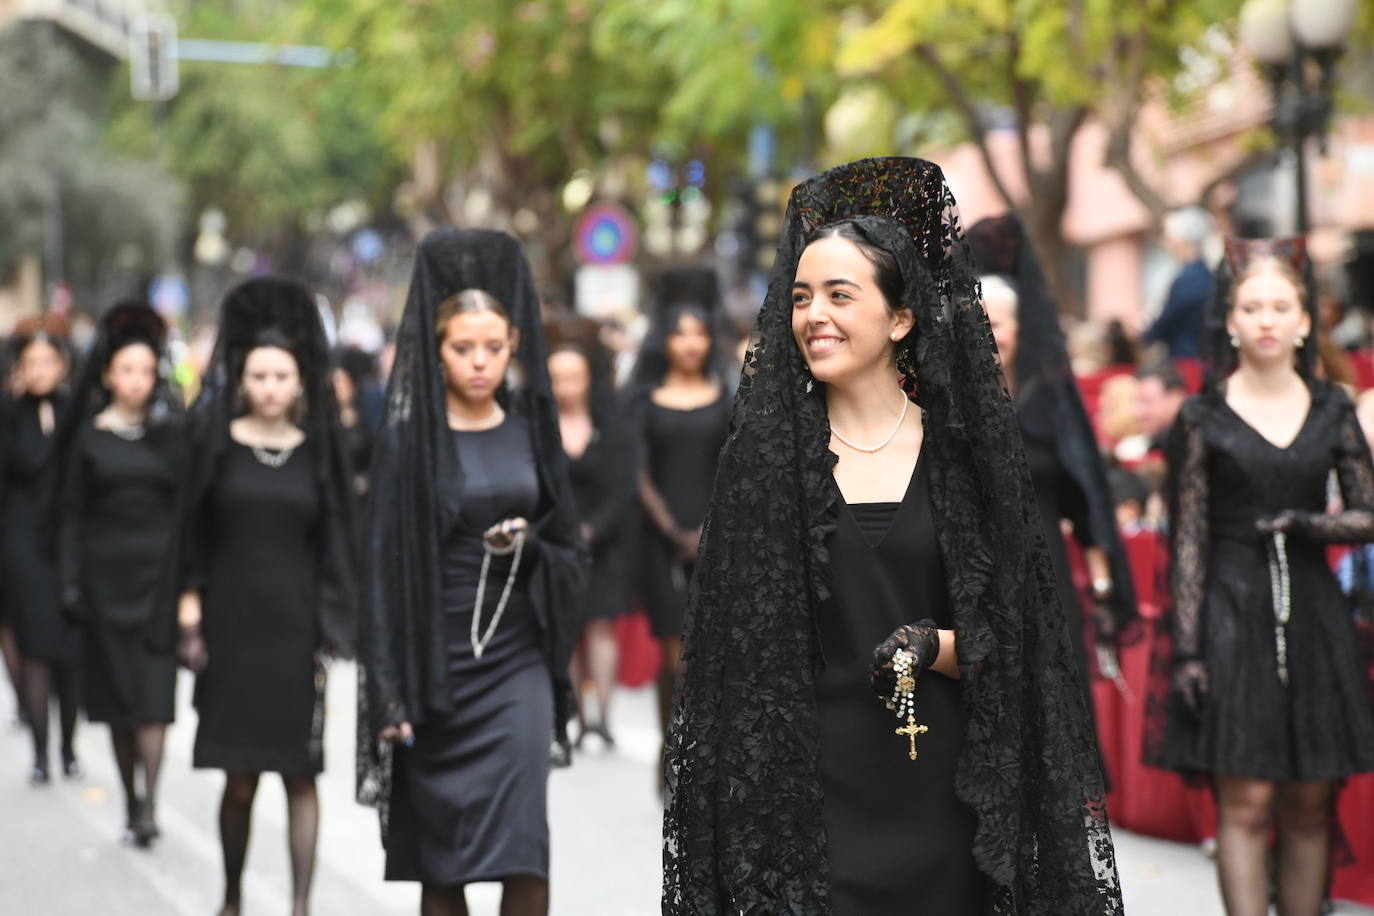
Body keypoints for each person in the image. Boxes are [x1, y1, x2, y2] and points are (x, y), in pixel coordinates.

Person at [663, 157, 1121, 913]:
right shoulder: (764, 464)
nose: (814, 315)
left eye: (841, 295)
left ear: (900, 317)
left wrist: (934, 647)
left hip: (949, 797)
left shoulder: (965, 457)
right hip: (811, 809)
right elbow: (731, 661)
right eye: (802, 296)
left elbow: (1024, 643)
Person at [357, 228, 587, 916]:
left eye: (494, 347)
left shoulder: (530, 430)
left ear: (515, 344)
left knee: (524, 850)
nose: (479, 362)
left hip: (516, 662)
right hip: (436, 667)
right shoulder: (407, 444)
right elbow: (381, 572)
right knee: (443, 864)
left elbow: (571, 547)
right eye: (463, 349)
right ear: (435, 350)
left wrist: (532, 546)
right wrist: (388, 693)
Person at [1150, 237, 1374, 916]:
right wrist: (1187, 650)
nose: (1268, 318)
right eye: (1253, 306)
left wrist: (1308, 525)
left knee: (1309, 800)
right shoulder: (1201, 415)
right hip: (1228, 608)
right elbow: (1185, 539)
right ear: (1232, 320)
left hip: (1313, 612)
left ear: (1306, 320)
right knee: (1244, 802)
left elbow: (1367, 513)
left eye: (1282, 305)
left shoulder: (1334, 408)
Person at [178, 277, 358, 916]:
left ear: (300, 381)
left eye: (282, 376)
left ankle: (301, 905)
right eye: (259, 375)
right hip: (231, 629)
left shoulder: (318, 455)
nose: (270, 387)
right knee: (240, 778)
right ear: (241, 377)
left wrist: (336, 626)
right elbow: (191, 531)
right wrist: (191, 612)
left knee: (301, 773)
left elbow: (337, 544)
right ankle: (231, 896)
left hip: (296, 631)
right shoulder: (217, 446)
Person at [968, 214, 1138, 733]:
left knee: (1050, 723)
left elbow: (1083, 498)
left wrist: (1104, 584)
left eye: (997, 323)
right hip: (969, 576)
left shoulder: (1049, 403)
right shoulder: (947, 402)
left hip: (1045, 582)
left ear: (1021, 328)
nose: (989, 334)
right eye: (979, 321)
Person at [51, 302, 185, 845]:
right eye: (126, 370)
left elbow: (186, 509)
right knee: (117, 702)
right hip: (106, 583)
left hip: (159, 581)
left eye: (146, 371)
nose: (137, 380)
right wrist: (71, 580)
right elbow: (71, 515)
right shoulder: (87, 438)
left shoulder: (173, 435)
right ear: (108, 375)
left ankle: (150, 800)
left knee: (154, 697)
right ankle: (129, 796)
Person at [629, 266, 732, 786]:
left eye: (699, 333)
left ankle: (699, 749)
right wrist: (672, 531)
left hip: (718, 538)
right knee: (674, 654)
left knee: (708, 653)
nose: (690, 343)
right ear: (663, 340)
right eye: (679, 333)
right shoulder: (644, 402)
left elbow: (735, 468)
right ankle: (668, 746)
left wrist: (707, 530)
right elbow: (637, 472)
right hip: (661, 542)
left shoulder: (727, 397)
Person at [546, 318, 637, 749]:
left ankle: (601, 715)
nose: (566, 386)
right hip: (557, 543)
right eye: (557, 378)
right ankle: (576, 717)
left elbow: (623, 484)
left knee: (601, 625)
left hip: (605, 542)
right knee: (571, 628)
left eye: (573, 377)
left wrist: (596, 529)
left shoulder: (611, 424)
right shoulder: (540, 431)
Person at [1, 319, 81, 784]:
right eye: (31, 363)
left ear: (62, 366)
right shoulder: (7, 415)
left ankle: (68, 745)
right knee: (33, 646)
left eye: (48, 362)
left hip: (69, 544)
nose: (39, 371)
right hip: (23, 542)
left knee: (70, 649)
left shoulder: (77, 411)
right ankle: (40, 751)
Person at [1144, 206, 1214, 359]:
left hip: (1187, 359)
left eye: (1170, 238)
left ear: (1182, 240)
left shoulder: (1189, 279)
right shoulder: (1203, 275)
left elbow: (1168, 320)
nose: (1167, 244)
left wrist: (1147, 334)